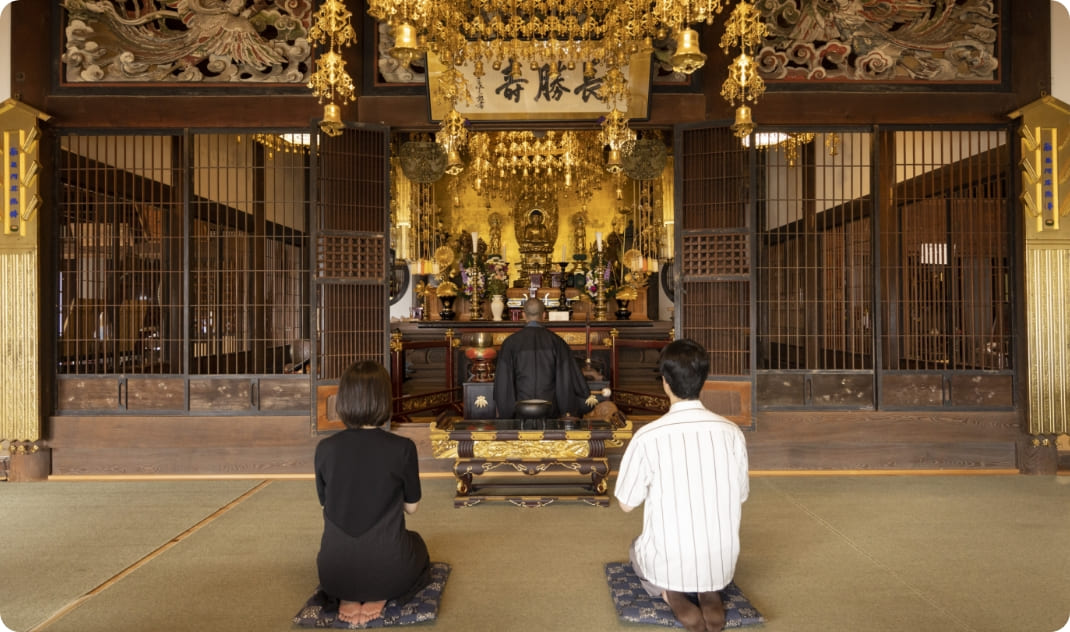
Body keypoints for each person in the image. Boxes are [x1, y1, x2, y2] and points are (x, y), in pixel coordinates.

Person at [614, 339, 750, 632]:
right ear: (704, 379)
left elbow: (626, 503)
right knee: (708, 547)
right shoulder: (731, 433)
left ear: (665, 382)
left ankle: (671, 593)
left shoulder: (648, 436)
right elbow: (740, 494)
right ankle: (709, 591)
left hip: (668, 558)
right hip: (722, 561)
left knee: (636, 549)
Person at [314, 361, 431, 626]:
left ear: (343, 399)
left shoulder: (325, 448)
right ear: (384, 399)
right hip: (390, 573)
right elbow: (412, 508)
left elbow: (325, 502)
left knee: (348, 549)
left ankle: (348, 595)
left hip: (333, 575)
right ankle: (381, 594)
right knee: (417, 544)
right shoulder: (402, 447)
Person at [493, 297, 593, 419]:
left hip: (520, 410)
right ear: (544, 315)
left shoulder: (510, 343)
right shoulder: (557, 342)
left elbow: (503, 382)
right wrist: (584, 392)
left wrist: (506, 413)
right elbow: (568, 377)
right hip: (551, 410)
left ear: (523, 315)